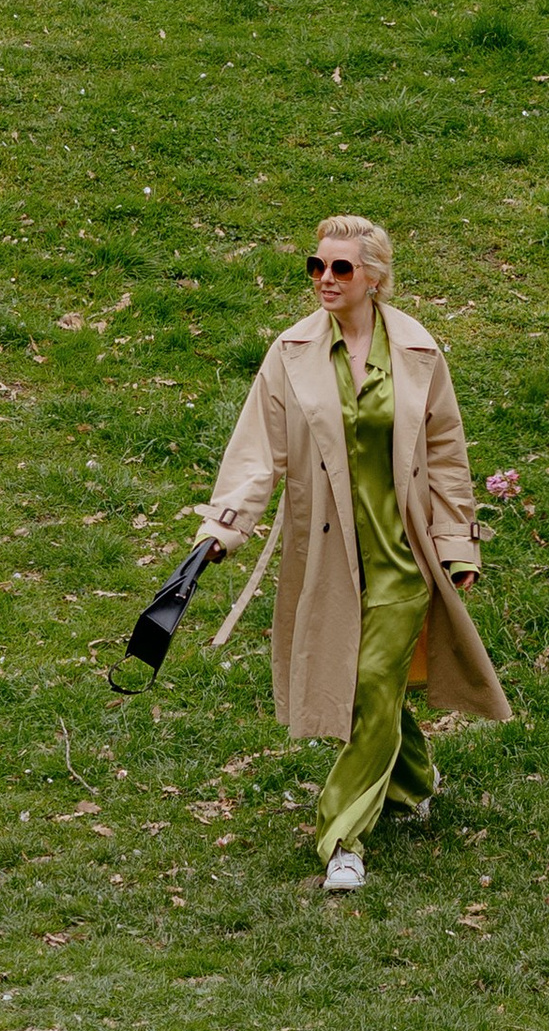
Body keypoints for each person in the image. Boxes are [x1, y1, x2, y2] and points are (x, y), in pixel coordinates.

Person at [196, 214, 508, 893]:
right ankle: (417, 779)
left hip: (404, 557)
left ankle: (341, 839)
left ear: (375, 277)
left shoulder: (419, 352)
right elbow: (258, 454)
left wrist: (457, 545)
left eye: (340, 268)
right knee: (374, 687)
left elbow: (446, 453)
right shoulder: (291, 352)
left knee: (368, 685)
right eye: (316, 266)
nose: (324, 280)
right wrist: (223, 529)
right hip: (328, 556)